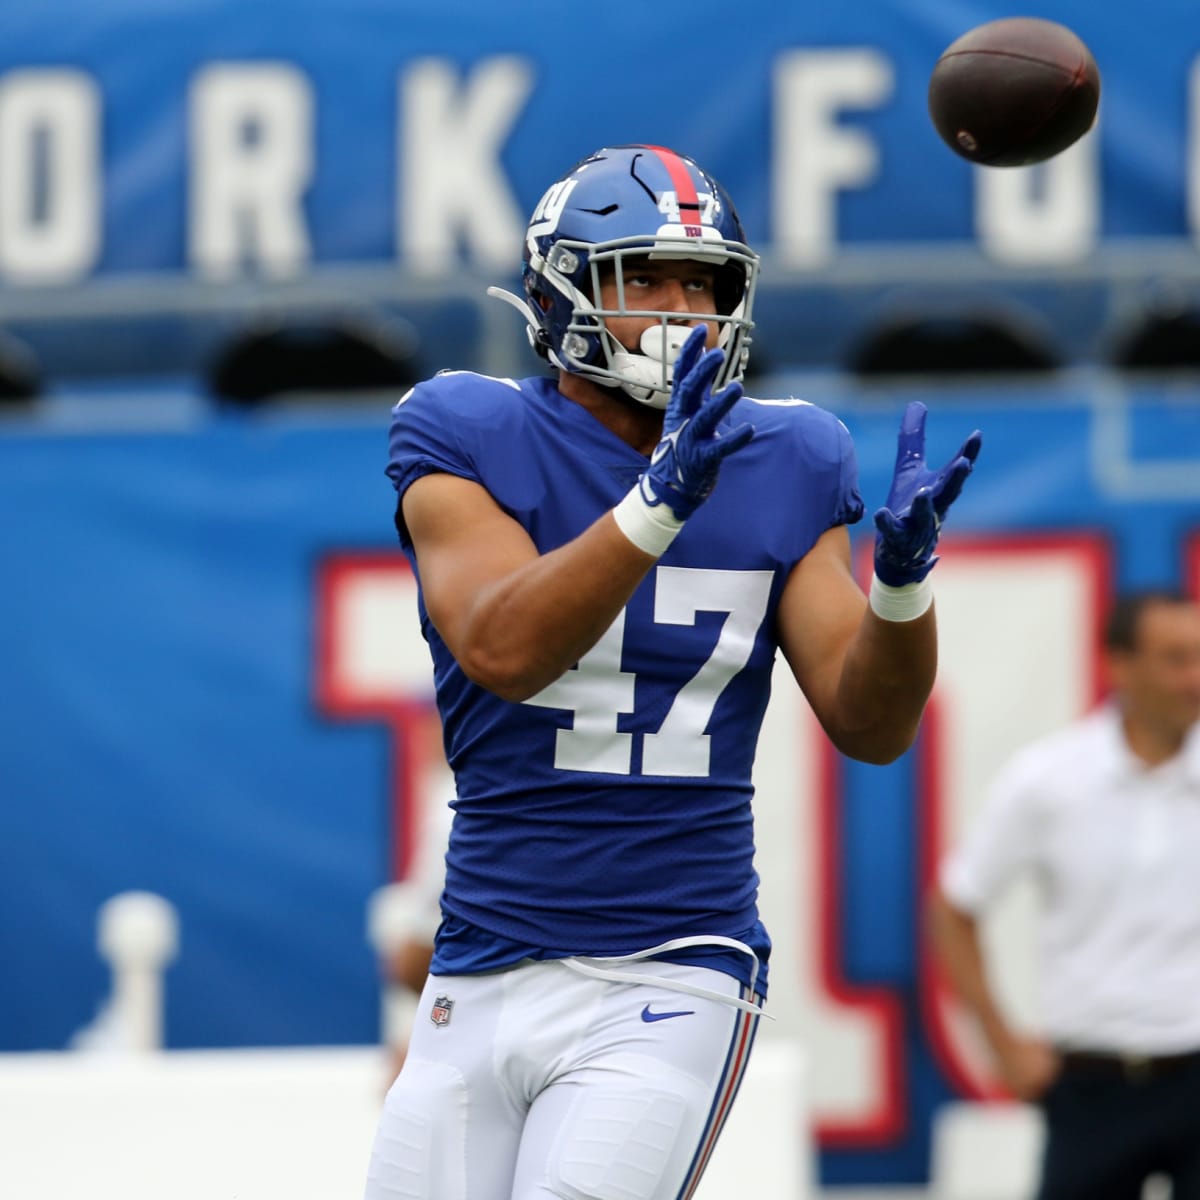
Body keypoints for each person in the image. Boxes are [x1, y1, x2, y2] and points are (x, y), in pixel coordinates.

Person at [365, 143, 981, 1200]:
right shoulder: (468, 428)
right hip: (479, 959)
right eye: (641, 278)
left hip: (672, 962)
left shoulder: (788, 453)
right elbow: (504, 648)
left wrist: (903, 591)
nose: (680, 309)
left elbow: (869, 723)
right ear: (554, 291)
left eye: (702, 283)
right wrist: (656, 505)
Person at [929, 589, 1200, 1200]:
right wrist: (1002, 1043)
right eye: (1176, 659)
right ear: (1120, 665)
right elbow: (954, 905)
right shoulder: (1052, 779)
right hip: (1091, 1086)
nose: (1194, 678)